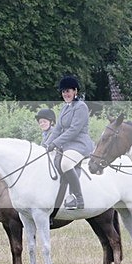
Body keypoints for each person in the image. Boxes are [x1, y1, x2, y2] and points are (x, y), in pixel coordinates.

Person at [42, 75, 95, 210]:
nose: (66, 94)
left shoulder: (81, 106)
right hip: (67, 144)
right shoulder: (65, 108)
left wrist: (56, 143)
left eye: (68, 91)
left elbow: (74, 130)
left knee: (66, 163)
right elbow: (58, 129)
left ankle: (78, 198)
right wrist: (46, 144)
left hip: (80, 144)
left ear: (75, 91)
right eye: (64, 91)